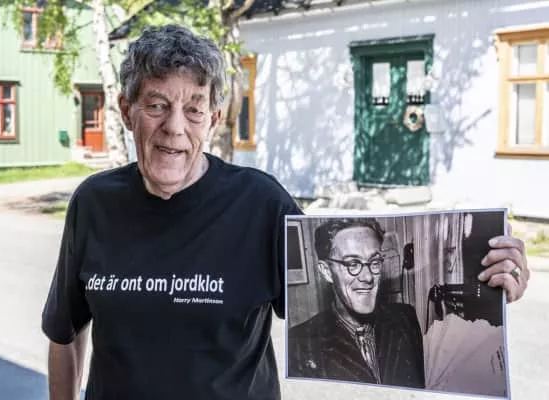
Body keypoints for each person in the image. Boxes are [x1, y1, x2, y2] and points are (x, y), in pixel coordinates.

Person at [41, 24, 530, 400]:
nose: (175, 127)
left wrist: (492, 278)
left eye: (194, 108)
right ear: (127, 110)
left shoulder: (259, 203)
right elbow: (65, 331)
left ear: (213, 120)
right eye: (156, 105)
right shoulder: (94, 203)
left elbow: (363, 293)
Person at [286, 217, 529, 390]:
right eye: (352, 264)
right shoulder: (298, 344)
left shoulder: (404, 317)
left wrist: (496, 289)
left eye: (374, 262)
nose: (368, 276)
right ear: (326, 271)